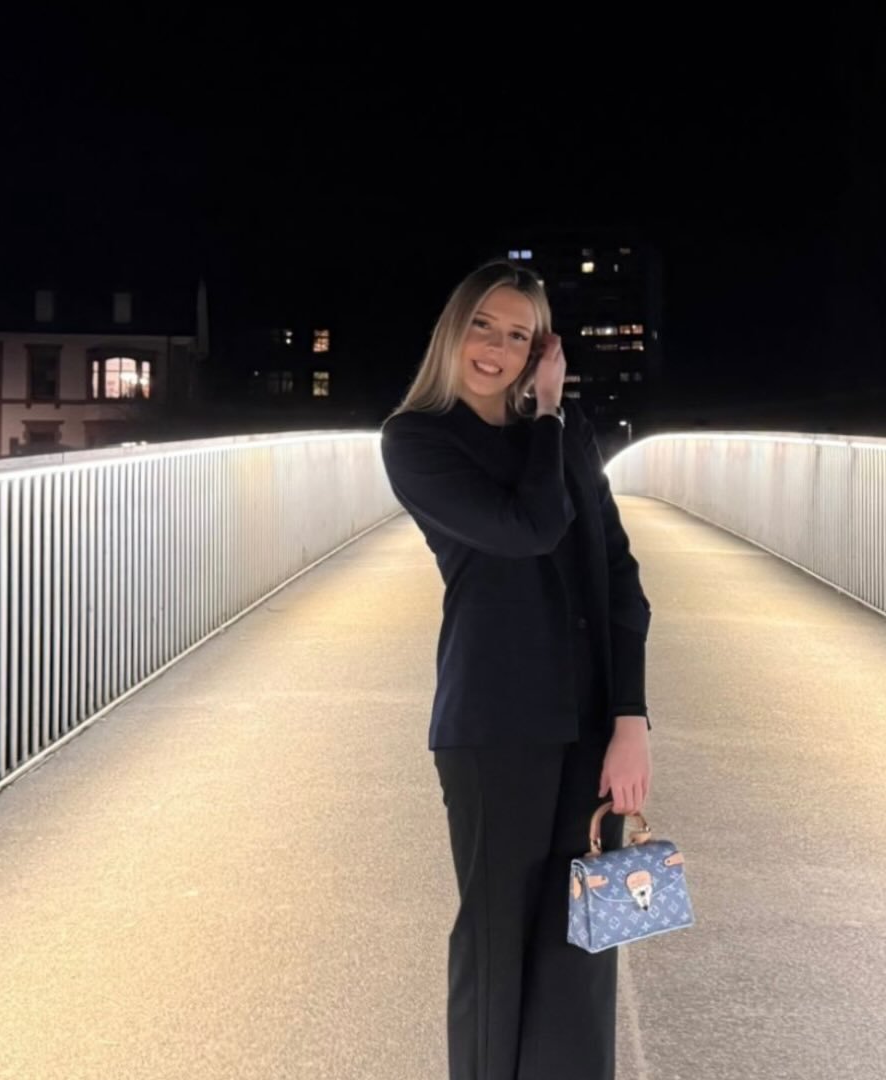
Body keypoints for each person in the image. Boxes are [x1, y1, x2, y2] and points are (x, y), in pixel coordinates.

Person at [379, 258, 653, 1080]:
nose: (496, 349)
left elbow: (619, 576)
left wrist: (632, 718)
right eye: (483, 327)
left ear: (540, 349)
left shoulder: (568, 434)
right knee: (498, 942)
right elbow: (528, 528)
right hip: (495, 725)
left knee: (587, 941)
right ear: (454, 332)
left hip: (592, 725)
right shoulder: (418, 440)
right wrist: (547, 416)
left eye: (519, 335)